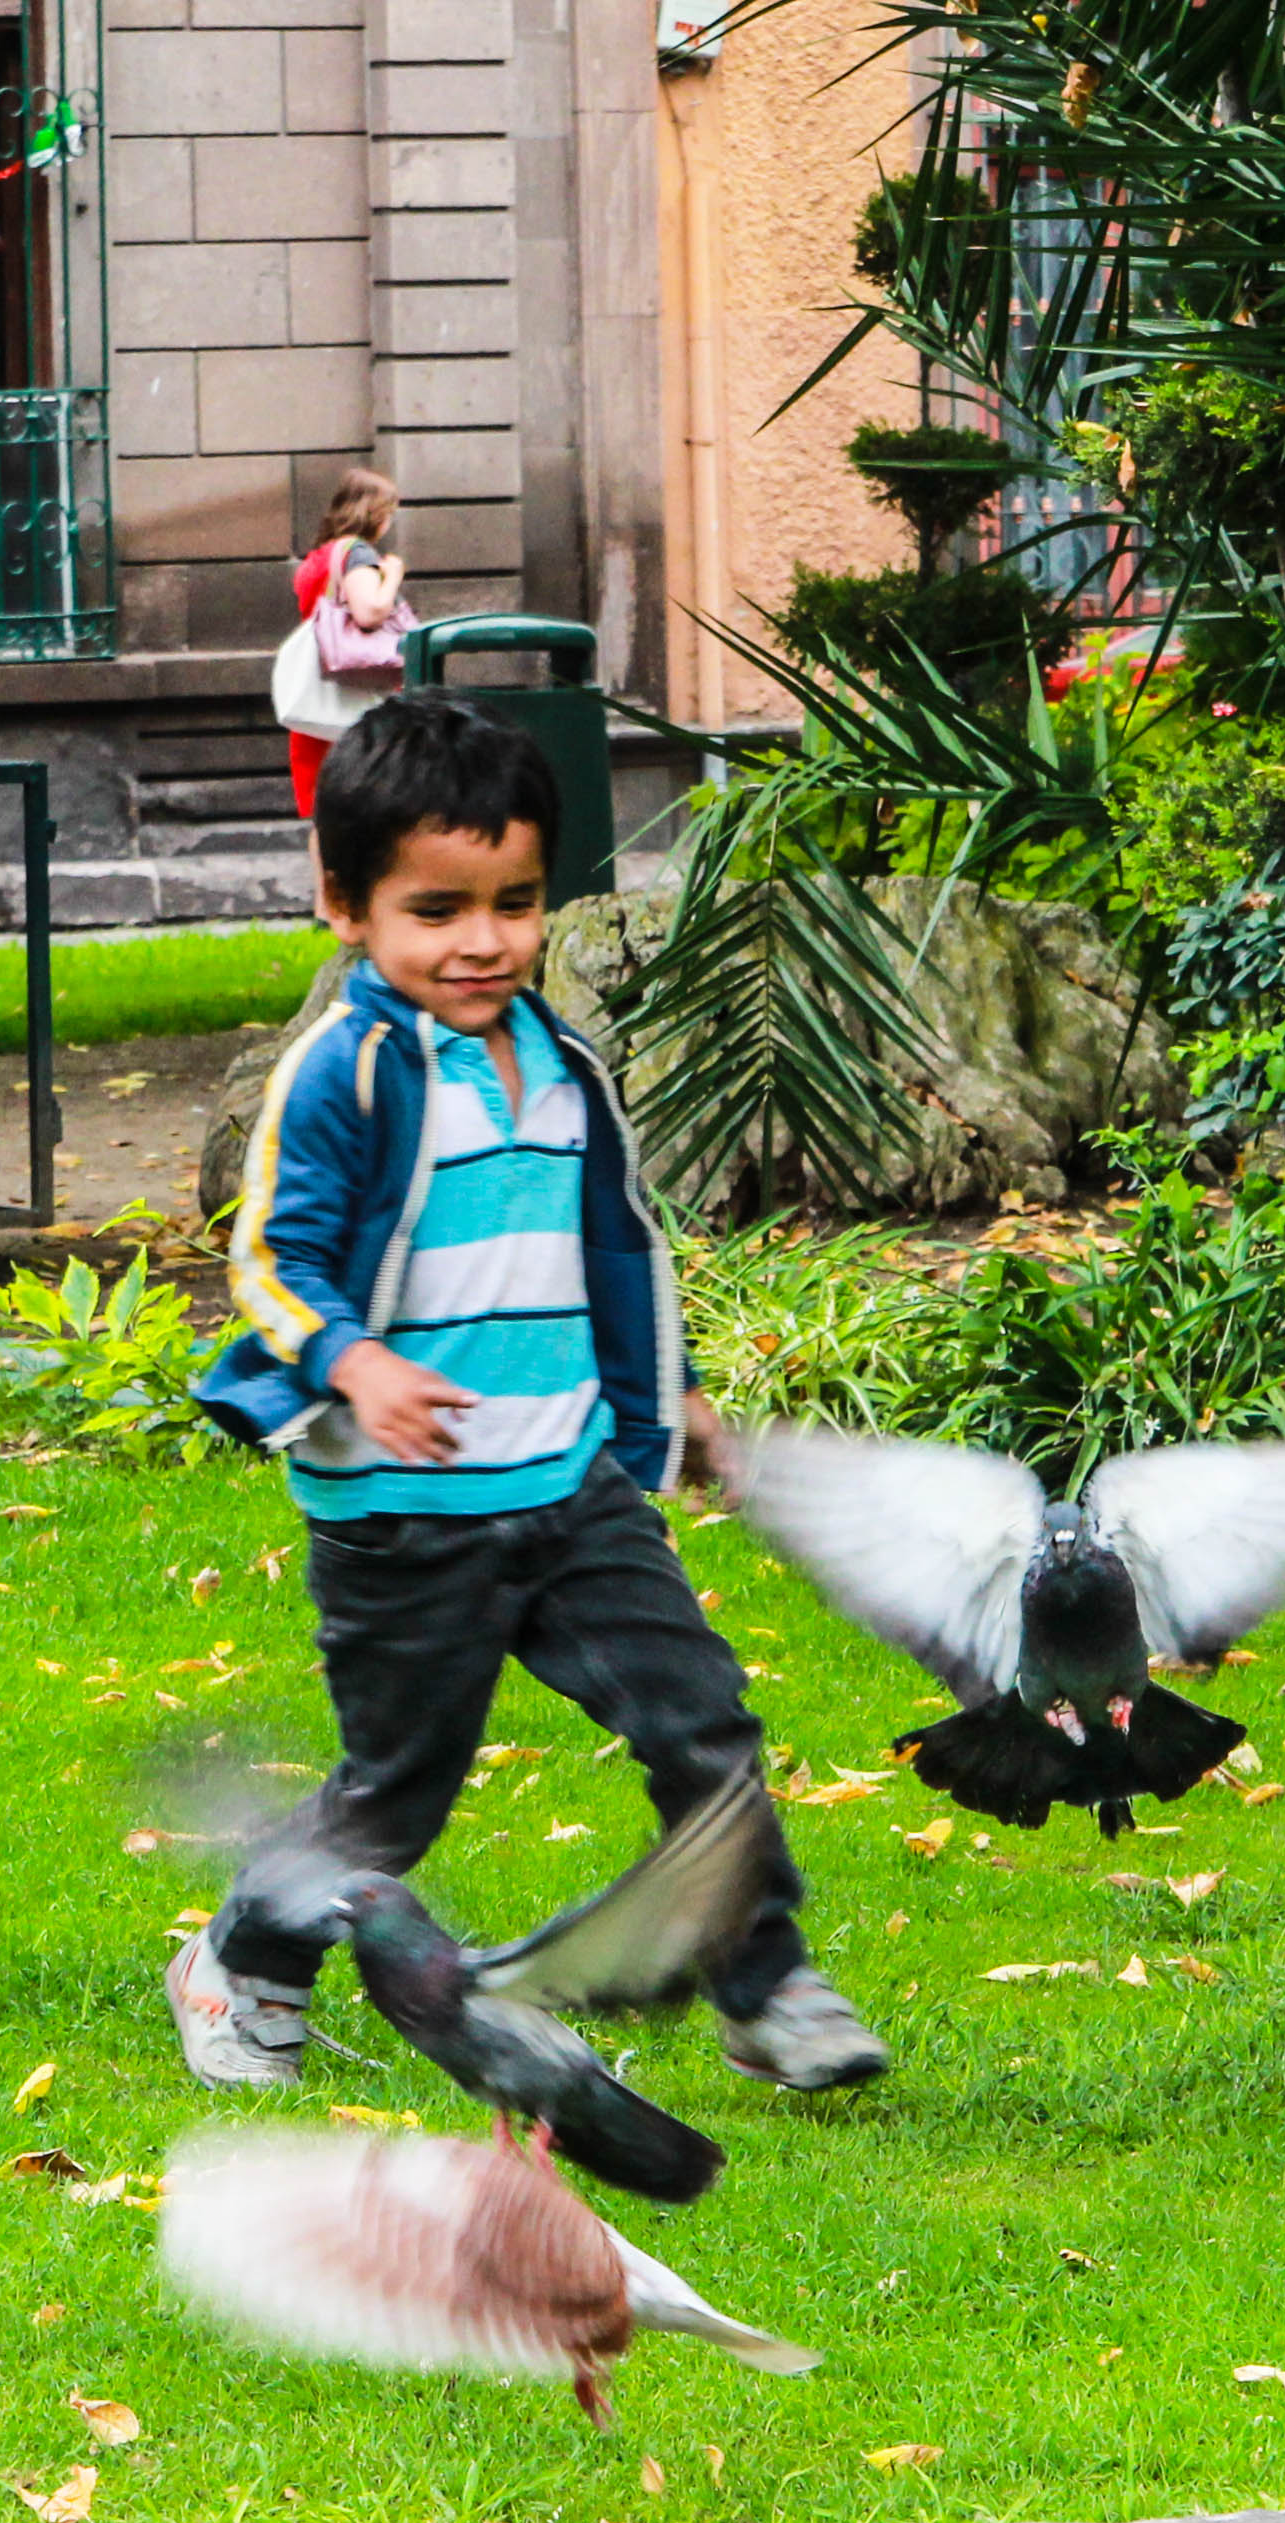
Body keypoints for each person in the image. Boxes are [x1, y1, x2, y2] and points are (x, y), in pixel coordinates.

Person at [181, 698, 891, 2096]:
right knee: (397, 1793)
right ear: (346, 904)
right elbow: (265, 1254)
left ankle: (762, 1980)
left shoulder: (561, 1064)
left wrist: (661, 1399)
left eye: (513, 903)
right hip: (402, 1513)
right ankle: (247, 1957)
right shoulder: (345, 1071)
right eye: (435, 908)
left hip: (567, 1488)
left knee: (701, 1719)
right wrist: (354, 1362)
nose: (482, 940)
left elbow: (612, 1244)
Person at [281, 467, 410, 820]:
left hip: (319, 698)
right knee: (367, 810)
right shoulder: (357, 554)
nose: (390, 522)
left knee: (323, 816)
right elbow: (369, 612)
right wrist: (393, 576)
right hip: (355, 697)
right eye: (389, 512)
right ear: (374, 512)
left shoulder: (317, 559)